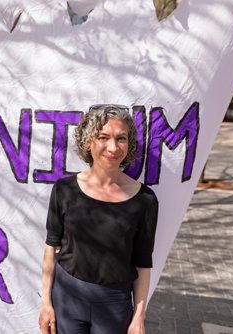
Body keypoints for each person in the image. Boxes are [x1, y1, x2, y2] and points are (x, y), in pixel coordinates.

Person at [38, 104, 159, 334]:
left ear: (129, 144)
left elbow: (143, 263)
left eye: (121, 138)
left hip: (114, 305)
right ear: (88, 142)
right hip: (67, 299)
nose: (113, 147)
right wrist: (46, 303)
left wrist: (139, 317)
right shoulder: (64, 190)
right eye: (103, 137)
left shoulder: (145, 200)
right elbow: (51, 248)